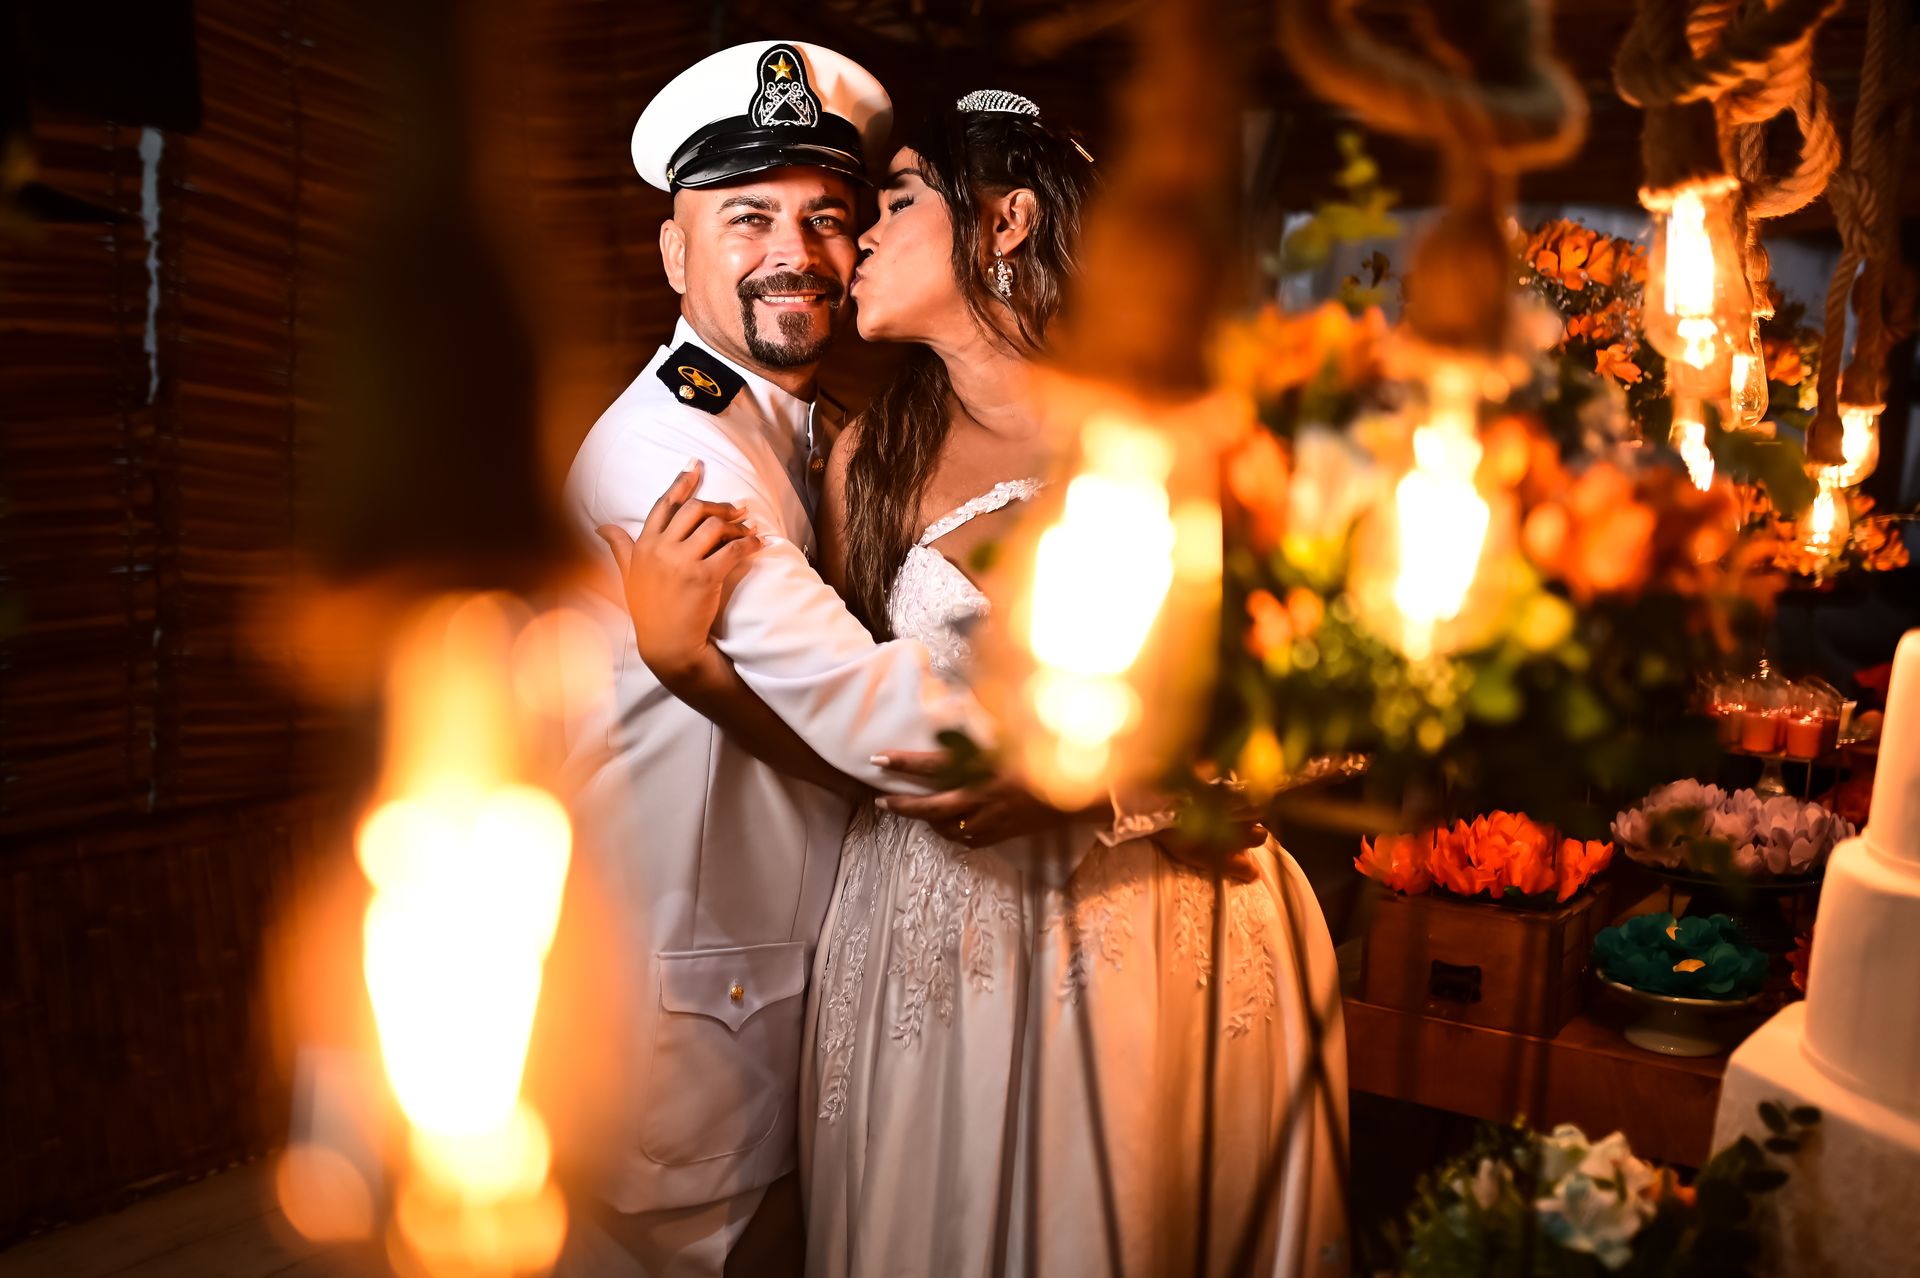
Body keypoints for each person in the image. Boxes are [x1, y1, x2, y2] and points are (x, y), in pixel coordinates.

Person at [612, 91, 1350, 1277]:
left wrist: (1108, 790)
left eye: (889, 204)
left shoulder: (1191, 432)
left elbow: (1325, 717)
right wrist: (691, 668)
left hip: (1160, 928)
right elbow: (853, 753)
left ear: (1003, 221)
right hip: (931, 934)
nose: (848, 246)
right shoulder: (873, 457)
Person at [558, 40, 1020, 1277]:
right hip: (696, 1014)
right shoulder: (679, 457)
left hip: (782, 985)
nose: (796, 254)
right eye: (748, 216)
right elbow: (889, 721)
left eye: (828, 219)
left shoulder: (797, 425)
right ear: (675, 254)